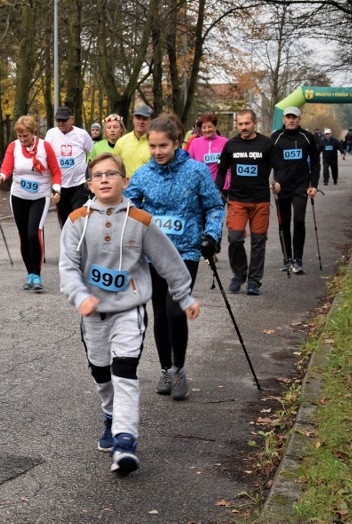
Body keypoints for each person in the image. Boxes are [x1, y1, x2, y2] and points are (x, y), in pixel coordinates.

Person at [60, 152, 199, 475]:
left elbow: (169, 262)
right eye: (98, 175)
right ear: (90, 184)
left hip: (129, 310)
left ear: (125, 181)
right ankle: (110, 416)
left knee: (124, 371)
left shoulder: (140, 221)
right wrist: (79, 296)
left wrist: (185, 296)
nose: (105, 179)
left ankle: (125, 440)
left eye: (112, 174)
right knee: (101, 373)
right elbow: (67, 267)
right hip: (93, 313)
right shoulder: (77, 220)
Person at [125, 115, 223, 400]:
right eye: (152, 146)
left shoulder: (196, 171)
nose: (157, 152)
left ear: (177, 143)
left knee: (174, 309)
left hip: (186, 251)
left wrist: (211, 236)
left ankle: (179, 368)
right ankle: (166, 368)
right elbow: (128, 207)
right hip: (153, 253)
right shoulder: (143, 174)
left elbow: (215, 206)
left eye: (163, 146)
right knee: (159, 311)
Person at [0, 115, 61, 291]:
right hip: (18, 196)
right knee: (23, 235)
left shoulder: (45, 147)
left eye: (25, 136)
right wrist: (1, 177)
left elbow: (56, 171)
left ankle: (37, 274)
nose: (22, 139)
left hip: (40, 197)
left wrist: (57, 189)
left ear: (33, 132)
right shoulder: (13, 147)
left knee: (33, 233)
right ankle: (29, 273)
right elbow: (6, 167)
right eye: (19, 136)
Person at [215, 109, 274, 296]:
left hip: (260, 201)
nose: (243, 127)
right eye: (240, 124)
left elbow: (280, 166)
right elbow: (222, 170)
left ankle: (254, 281)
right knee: (234, 238)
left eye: (247, 123)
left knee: (258, 242)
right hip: (237, 200)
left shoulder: (266, 144)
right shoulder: (231, 145)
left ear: (254, 123)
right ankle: (239, 274)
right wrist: (218, 190)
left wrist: (279, 181)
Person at [270, 106, 319, 275]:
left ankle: (298, 259)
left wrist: (314, 185)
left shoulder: (307, 137)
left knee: (298, 220)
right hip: (282, 186)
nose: (291, 120)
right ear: (283, 119)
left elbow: (315, 162)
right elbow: (269, 162)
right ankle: (287, 258)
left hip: (301, 185)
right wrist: (272, 182)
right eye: (288, 117)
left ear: (299, 119)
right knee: (284, 222)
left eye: (294, 117)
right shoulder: (276, 138)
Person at [44, 106, 94, 228]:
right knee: (65, 222)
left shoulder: (81, 134)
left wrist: (91, 176)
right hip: (60, 186)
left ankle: (80, 246)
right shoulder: (51, 134)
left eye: (64, 120)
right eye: (58, 121)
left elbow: (92, 154)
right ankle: (68, 246)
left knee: (78, 220)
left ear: (72, 119)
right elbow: (44, 155)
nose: (61, 123)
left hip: (79, 185)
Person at [188, 113, 229, 189]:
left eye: (210, 127)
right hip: (201, 185)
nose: (207, 130)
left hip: (221, 186)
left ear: (215, 127)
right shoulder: (195, 142)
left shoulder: (225, 142)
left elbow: (230, 164)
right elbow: (189, 164)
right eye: (204, 127)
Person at [114, 105, 154, 177]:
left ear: (151, 121)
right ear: (133, 119)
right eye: (138, 118)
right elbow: (115, 167)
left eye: (145, 119)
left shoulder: (155, 142)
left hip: (149, 186)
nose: (141, 122)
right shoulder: (121, 142)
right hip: (127, 186)